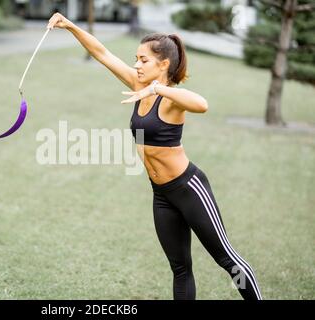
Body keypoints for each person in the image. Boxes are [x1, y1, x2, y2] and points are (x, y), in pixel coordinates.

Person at [47, 13, 262, 300]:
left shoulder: (171, 98)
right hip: (161, 194)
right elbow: (101, 53)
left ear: (163, 65)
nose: (136, 64)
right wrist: (71, 26)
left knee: (227, 260)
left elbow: (202, 104)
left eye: (143, 60)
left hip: (189, 188)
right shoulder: (137, 86)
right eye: (136, 58)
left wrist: (158, 88)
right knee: (180, 268)